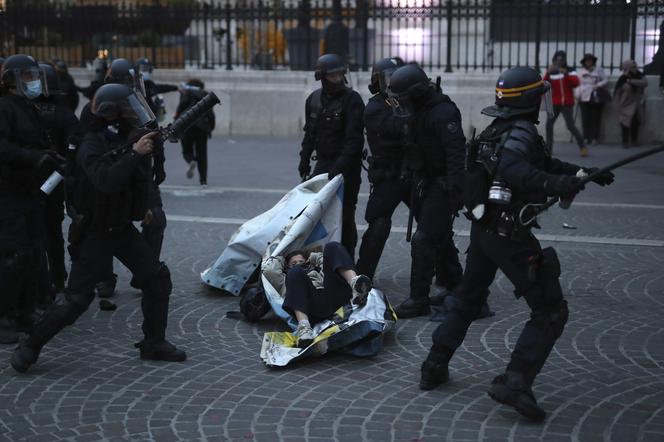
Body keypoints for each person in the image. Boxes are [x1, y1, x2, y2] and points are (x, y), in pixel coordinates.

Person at [419, 66, 615, 422]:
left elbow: (539, 163)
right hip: (509, 236)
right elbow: (515, 170)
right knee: (550, 310)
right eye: (539, 95)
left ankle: (434, 365)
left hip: (484, 233)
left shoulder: (500, 129)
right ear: (528, 100)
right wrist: (558, 186)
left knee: (467, 301)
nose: (543, 101)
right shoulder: (521, 131)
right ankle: (516, 381)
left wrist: (579, 173)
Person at [11, 84, 186, 373]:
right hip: (95, 232)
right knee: (77, 299)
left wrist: (147, 205)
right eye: (128, 108)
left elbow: (142, 181)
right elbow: (105, 181)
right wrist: (134, 153)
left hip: (122, 228)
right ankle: (30, 346)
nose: (134, 114)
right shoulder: (89, 143)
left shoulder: (123, 137)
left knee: (157, 279)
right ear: (110, 112)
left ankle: (153, 342)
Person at [78, 58, 169, 299]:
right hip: (112, 175)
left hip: (139, 175)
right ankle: (105, 279)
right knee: (105, 226)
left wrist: (158, 165)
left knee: (156, 220)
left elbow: (154, 133)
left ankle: (145, 273)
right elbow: (87, 148)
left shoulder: (139, 103)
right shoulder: (95, 109)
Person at [385, 64, 466, 319]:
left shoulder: (443, 112)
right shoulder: (419, 111)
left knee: (424, 239)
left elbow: (455, 153)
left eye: (404, 99)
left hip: (443, 185)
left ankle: (419, 299)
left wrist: (455, 191)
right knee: (439, 236)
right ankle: (457, 285)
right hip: (426, 182)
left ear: (417, 94)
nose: (401, 105)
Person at [0, 54, 57, 343]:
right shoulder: (4, 107)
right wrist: (32, 157)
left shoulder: (28, 106)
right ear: (11, 80)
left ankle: (24, 309)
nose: (33, 81)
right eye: (27, 76)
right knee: (14, 254)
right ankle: (3, 315)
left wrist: (51, 156)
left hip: (29, 190)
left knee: (35, 250)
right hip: (8, 192)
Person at [298, 54, 365, 259]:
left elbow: (354, 140)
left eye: (340, 75)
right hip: (324, 164)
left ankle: (347, 260)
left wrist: (339, 168)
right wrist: (304, 159)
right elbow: (310, 134)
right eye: (333, 75)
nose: (337, 79)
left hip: (347, 167)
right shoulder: (314, 99)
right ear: (322, 77)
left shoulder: (352, 100)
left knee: (345, 216)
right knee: (313, 213)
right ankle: (319, 257)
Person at [262, 242, 372, 347]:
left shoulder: (318, 272)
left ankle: (355, 284)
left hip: (331, 298)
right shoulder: (286, 279)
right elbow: (269, 271)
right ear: (286, 267)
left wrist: (314, 257)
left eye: (301, 262)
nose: (299, 265)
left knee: (332, 246)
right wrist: (281, 255)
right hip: (309, 309)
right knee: (295, 272)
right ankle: (304, 328)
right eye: (294, 263)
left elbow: (326, 260)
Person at [34, 62, 81, 295]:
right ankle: (58, 277)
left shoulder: (24, 112)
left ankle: (46, 281)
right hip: (56, 180)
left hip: (33, 180)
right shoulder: (65, 115)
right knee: (52, 232)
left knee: (37, 234)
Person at [544, 50, 586, 156]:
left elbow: (576, 83)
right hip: (555, 103)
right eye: (557, 59)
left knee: (570, 126)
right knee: (549, 125)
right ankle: (549, 149)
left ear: (564, 60)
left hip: (567, 103)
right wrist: (548, 72)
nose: (559, 62)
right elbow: (544, 84)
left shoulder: (570, 70)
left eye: (561, 59)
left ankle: (583, 146)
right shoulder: (551, 71)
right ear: (554, 60)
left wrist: (565, 73)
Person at [176, 79, 215, 185]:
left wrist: (176, 125)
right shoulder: (206, 95)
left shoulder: (186, 93)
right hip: (202, 128)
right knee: (202, 154)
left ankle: (191, 160)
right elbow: (210, 114)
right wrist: (210, 128)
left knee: (186, 150)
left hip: (187, 126)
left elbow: (180, 109)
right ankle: (203, 181)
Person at [614, 60, 648, 149]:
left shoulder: (640, 75)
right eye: (633, 66)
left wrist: (630, 81)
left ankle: (634, 140)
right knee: (625, 123)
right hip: (625, 103)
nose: (635, 68)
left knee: (635, 121)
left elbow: (644, 83)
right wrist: (617, 104)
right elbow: (617, 91)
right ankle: (625, 141)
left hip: (636, 103)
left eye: (635, 66)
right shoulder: (622, 78)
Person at [576, 53, 608, 145]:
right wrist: (577, 95)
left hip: (595, 96)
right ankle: (586, 137)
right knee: (585, 118)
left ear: (593, 61)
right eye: (587, 61)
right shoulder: (581, 71)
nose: (588, 62)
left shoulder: (599, 70)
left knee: (596, 118)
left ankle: (595, 138)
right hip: (584, 97)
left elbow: (605, 80)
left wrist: (597, 85)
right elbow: (578, 83)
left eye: (590, 60)